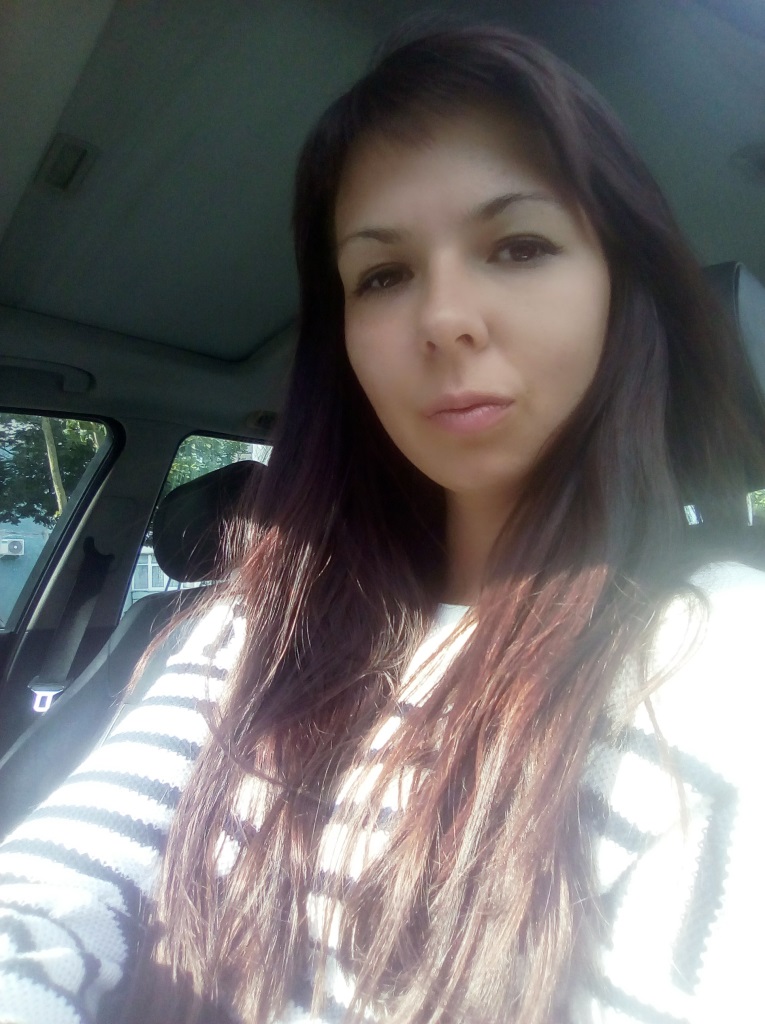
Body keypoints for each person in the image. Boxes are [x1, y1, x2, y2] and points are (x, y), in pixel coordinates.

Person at [1, 23, 764, 1024]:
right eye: (383, 276)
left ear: (623, 296)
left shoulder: (715, 661)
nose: (443, 317)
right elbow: (51, 897)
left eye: (519, 246)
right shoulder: (256, 622)